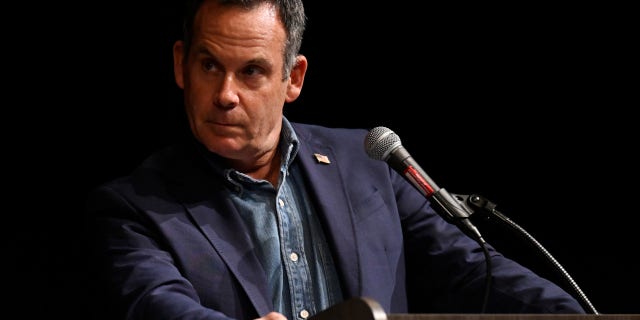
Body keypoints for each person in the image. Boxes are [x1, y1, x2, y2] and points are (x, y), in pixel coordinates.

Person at [86, 0, 587, 319]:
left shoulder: (368, 165)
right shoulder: (136, 206)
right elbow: (156, 304)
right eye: (209, 65)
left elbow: (473, 272)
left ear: (294, 78)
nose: (225, 94)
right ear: (181, 64)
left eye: (252, 72)